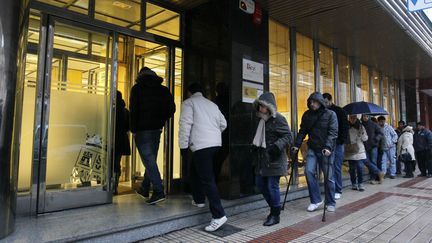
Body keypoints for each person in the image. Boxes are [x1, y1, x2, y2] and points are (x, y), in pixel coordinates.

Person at [179, 83, 227, 232]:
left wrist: (183, 146)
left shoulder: (189, 103)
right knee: (194, 170)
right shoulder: (212, 104)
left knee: (207, 179)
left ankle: (219, 215)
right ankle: (199, 199)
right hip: (215, 144)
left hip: (201, 145)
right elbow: (223, 124)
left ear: (189, 92)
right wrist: (213, 133)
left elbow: (185, 124)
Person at [130, 67, 175, 204]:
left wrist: (133, 129)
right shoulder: (163, 90)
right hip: (157, 129)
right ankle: (144, 188)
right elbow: (171, 109)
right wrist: (161, 120)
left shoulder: (137, 89)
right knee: (151, 160)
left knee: (149, 161)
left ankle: (158, 191)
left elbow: (134, 110)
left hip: (142, 130)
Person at [292, 92, 338, 212]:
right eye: (310, 102)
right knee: (308, 171)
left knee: (328, 177)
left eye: (314, 101)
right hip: (312, 147)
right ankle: (316, 200)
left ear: (320, 102)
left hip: (326, 150)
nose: (312, 104)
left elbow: (333, 133)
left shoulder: (330, 114)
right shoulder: (307, 115)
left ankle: (330, 202)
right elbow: (302, 131)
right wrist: (297, 145)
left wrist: (328, 147)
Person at [252, 92, 292, 227]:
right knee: (260, 183)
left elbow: (288, 136)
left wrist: (276, 147)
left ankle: (275, 215)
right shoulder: (261, 120)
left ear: (269, 107)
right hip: (262, 159)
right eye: (259, 106)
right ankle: (275, 207)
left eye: (262, 106)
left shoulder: (278, 118)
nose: (260, 109)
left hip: (274, 158)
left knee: (271, 186)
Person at [323, 93, 349, 200]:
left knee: (337, 167)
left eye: (325, 101)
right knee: (328, 167)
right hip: (327, 144)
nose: (324, 104)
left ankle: (338, 189)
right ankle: (331, 189)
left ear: (330, 100)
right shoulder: (323, 112)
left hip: (338, 144)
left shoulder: (339, 111)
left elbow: (344, 127)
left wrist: (341, 140)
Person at [113, 91, 131, 195]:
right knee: (116, 163)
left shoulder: (110, 110)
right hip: (121, 141)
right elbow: (129, 127)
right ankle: (115, 186)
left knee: (108, 164)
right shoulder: (125, 111)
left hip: (110, 140)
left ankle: (108, 185)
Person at [345, 115, 368, 191]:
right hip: (350, 149)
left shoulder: (361, 127)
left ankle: (360, 184)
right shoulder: (346, 126)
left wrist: (362, 133)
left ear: (356, 118)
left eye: (354, 118)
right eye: (351, 118)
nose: (352, 119)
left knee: (359, 167)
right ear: (349, 118)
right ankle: (354, 183)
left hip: (359, 150)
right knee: (351, 169)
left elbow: (365, 139)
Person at [361, 115, 385, 184]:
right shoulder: (360, 125)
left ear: (368, 117)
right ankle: (379, 173)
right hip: (364, 146)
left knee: (373, 161)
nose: (365, 118)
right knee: (366, 161)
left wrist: (376, 139)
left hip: (373, 146)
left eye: (366, 116)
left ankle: (373, 178)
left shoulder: (374, 124)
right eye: (364, 116)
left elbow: (381, 133)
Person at [213, 82, 229, 181]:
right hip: (228, 134)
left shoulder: (216, 102)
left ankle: (214, 179)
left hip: (220, 135)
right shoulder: (230, 100)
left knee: (216, 160)